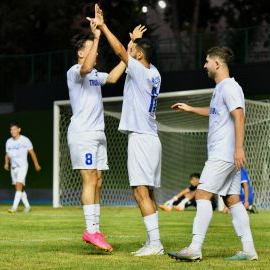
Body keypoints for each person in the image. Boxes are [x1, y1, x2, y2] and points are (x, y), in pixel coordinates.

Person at [168, 46, 258, 262]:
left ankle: (195, 248)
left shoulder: (229, 87)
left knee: (201, 194)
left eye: (207, 61)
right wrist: (190, 109)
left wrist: (238, 148)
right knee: (232, 199)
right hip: (226, 154)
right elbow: (216, 112)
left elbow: (239, 116)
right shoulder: (221, 89)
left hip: (224, 154)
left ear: (217, 64)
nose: (205, 65)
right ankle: (249, 250)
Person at [88, 4, 164, 256]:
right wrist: (135, 42)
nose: (130, 53)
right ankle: (154, 242)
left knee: (139, 191)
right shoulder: (154, 72)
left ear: (139, 56)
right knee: (148, 192)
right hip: (152, 137)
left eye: (134, 52)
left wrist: (104, 27)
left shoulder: (140, 72)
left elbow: (120, 52)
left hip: (142, 139)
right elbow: (131, 54)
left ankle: (155, 244)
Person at [66, 18, 126, 252]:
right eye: (91, 50)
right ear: (81, 53)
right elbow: (85, 68)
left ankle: (96, 230)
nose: (96, 54)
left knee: (98, 180)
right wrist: (98, 36)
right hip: (83, 134)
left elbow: (111, 78)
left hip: (98, 134)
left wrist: (127, 57)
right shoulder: (75, 72)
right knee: (90, 178)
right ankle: (90, 231)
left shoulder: (94, 75)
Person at [4, 122, 41, 213]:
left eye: (14, 129)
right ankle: (27, 206)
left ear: (19, 130)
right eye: (11, 130)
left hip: (22, 166)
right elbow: (7, 154)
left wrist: (36, 164)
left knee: (19, 185)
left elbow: (31, 152)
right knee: (18, 188)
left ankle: (14, 208)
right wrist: (6, 163)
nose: (12, 131)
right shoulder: (9, 141)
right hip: (13, 167)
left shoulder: (25, 140)